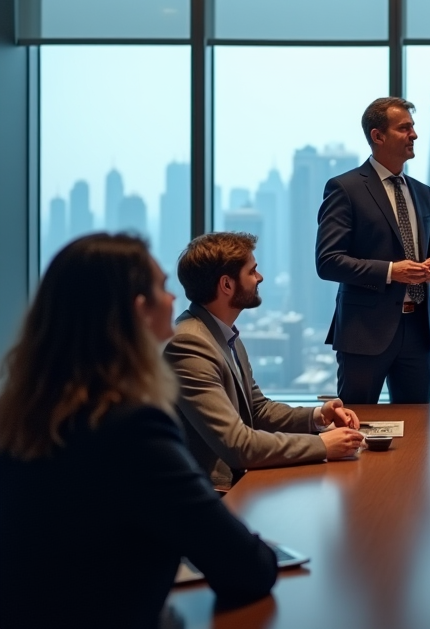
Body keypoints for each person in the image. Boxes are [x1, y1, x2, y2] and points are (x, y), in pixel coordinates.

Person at [0, 234, 278, 629]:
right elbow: (248, 568)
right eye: (163, 288)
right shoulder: (131, 428)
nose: (173, 300)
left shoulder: (21, 418)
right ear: (138, 310)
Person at [165, 232, 365, 490]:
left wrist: (317, 417)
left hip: (237, 481)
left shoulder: (223, 333)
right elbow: (238, 446)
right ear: (227, 285)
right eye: (252, 271)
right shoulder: (190, 344)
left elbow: (257, 410)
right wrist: (323, 445)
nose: (260, 278)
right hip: (208, 493)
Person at [316, 96, 430, 405]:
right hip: (363, 334)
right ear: (378, 136)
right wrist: (392, 272)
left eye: (413, 128)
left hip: (416, 333)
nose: (414, 135)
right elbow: (328, 261)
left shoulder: (422, 192)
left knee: (418, 430)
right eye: (404, 128)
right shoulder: (344, 188)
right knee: (356, 427)